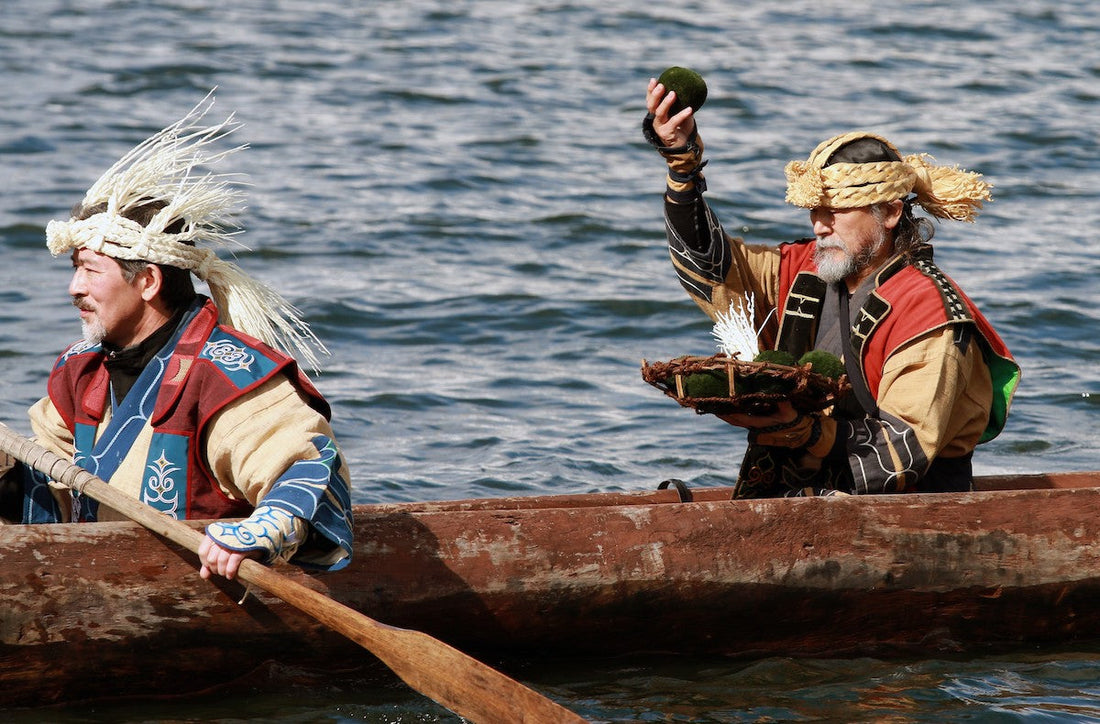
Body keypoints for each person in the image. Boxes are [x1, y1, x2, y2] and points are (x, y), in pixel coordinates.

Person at [0, 96, 353, 579]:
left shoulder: (226, 374)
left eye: (90, 271)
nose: (74, 288)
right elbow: (50, 483)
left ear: (148, 282)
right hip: (100, 580)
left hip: (202, 589)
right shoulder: (80, 369)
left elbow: (307, 467)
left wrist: (262, 530)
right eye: (74, 270)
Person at [643, 77, 1020, 498]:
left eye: (836, 210)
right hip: (796, 497)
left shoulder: (929, 312)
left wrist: (803, 431)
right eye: (815, 211)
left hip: (905, 510)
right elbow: (711, 267)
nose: (820, 226)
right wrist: (682, 166)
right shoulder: (804, 267)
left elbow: (904, 446)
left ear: (890, 212)